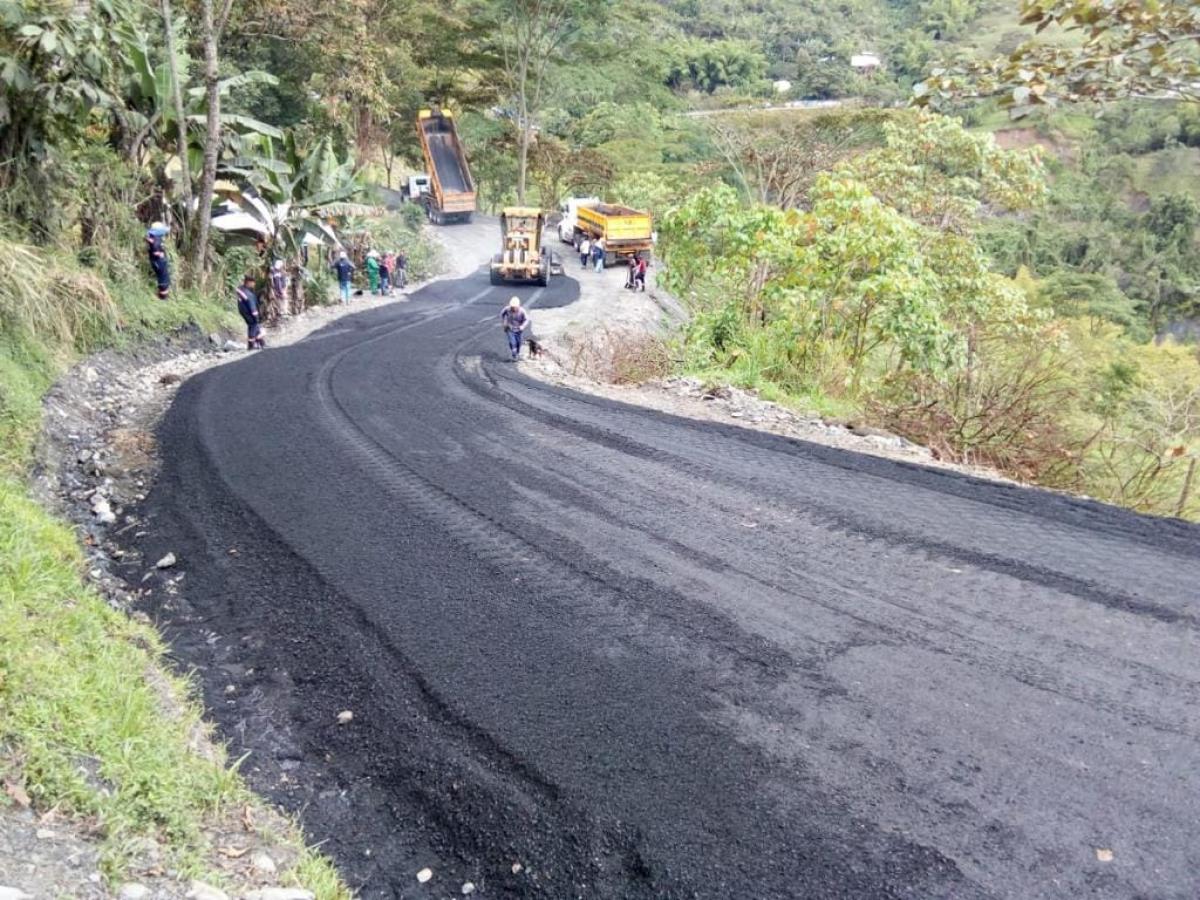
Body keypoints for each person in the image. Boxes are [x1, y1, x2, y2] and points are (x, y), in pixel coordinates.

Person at [236, 274, 266, 350]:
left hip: (244, 311)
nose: (254, 284)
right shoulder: (248, 294)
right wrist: (256, 315)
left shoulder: (242, 290)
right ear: (249, 282)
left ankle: (261, 342)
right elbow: (252, 305)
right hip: (249, 312)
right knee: (253, 324)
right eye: (253, 283)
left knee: (254, 326)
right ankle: (251, 344)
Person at [145, 221, 170, 300]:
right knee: (164, 278)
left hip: (155, 261)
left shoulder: (152, 238)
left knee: (162, 278)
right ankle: (163, 298)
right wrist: (161, 254)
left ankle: (162, 296)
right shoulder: (157, 240)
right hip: (159, 261)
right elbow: (155, 252)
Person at [500, 296, 528, 361]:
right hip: (510, 328)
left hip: (519, 329)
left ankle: (517, 353)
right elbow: (502, 314)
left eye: (515, 307)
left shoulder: (522, 311)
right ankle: (514, 355)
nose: (513, 308)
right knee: (512, 342)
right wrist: (504, 322)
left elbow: (526, 320)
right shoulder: (507, 309)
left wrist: (522, 326)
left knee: (519, 342)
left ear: (518, 306)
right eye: (512, 307)